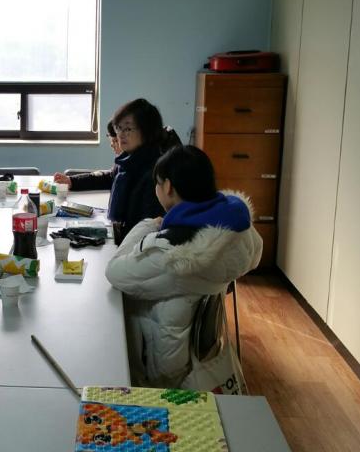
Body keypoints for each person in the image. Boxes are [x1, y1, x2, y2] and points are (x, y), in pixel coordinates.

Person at [105, 145, 262, 388]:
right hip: (196, 353)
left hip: (163, 366)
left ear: (168, 187)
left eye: (157, 183)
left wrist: (148, 225)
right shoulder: (237, 230)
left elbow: (114, 271)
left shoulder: (173, 255)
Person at [53, 98, 181, 244]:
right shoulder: (129, 158)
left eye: (128, 129)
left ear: (147, 131)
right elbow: (109, 177)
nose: (120, 134)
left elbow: (146, 230)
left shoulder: (154, 172)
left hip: (134, 245)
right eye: (119, 128)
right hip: (120, 236)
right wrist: (72, 181)